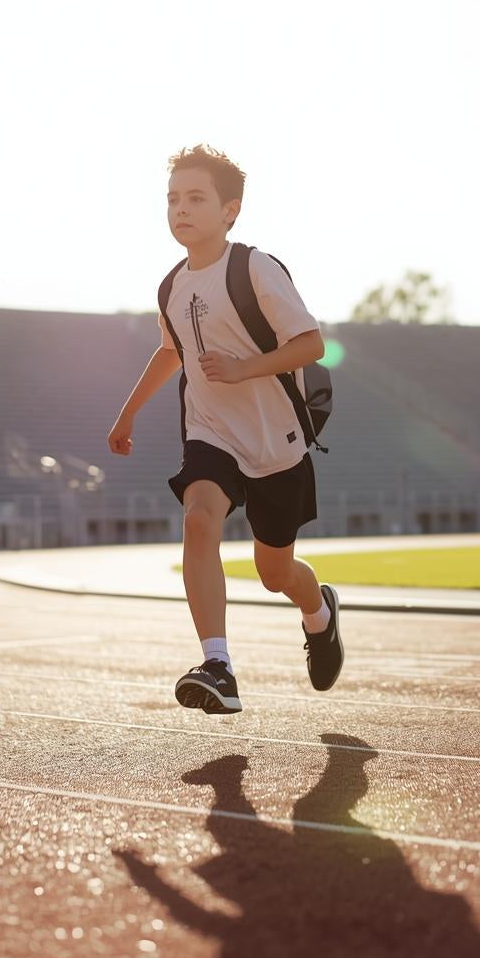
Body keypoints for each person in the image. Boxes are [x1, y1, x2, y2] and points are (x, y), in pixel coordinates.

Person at [108, 144, 343, 715]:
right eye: (172, 199)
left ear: (230, 209)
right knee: (198, 519)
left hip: (275, 441)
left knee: (274, 571)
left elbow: (312, 345)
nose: (180, 209)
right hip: (211, 433)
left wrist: (243, 369)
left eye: (195, 198)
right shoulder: (170, 286)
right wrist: (128, 411)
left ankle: (320, 613)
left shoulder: (254, 268)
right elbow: (171, 352)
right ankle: (217, 665)